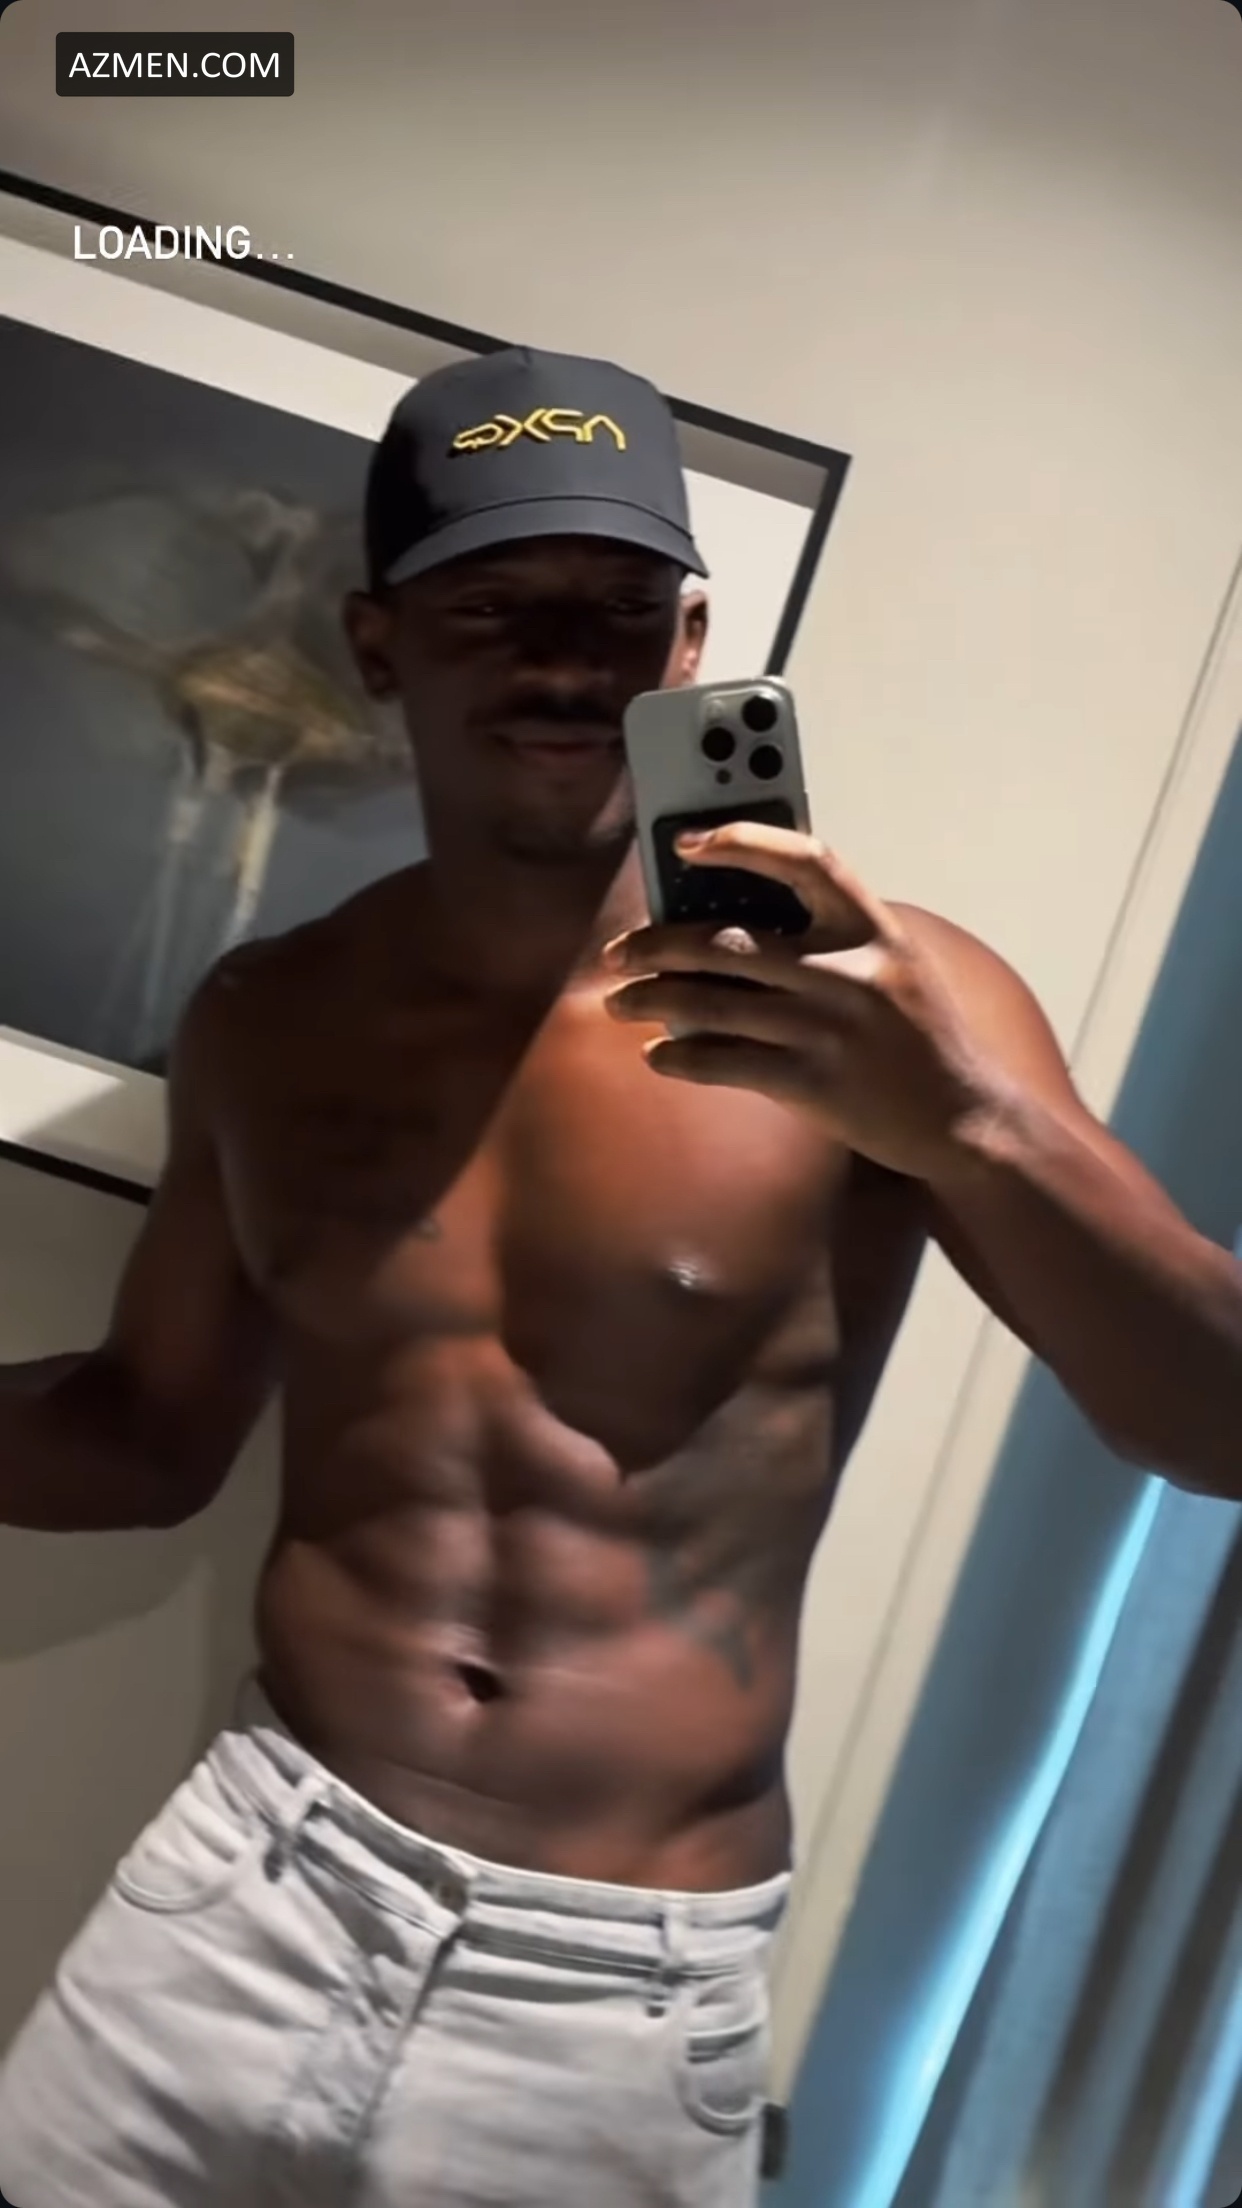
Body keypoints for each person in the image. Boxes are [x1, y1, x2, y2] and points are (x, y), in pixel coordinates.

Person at [0, 345, 1239, 2208]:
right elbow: (144, 1433)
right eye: (491, 605)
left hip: (613, 2002)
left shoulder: (885, 1007)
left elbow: (1217, 1427)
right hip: (244, 1895)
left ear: (692, 645)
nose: (565, 661)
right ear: (377, 645)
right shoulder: (269, 1017)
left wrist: (972, 1125)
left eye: (617, 607)